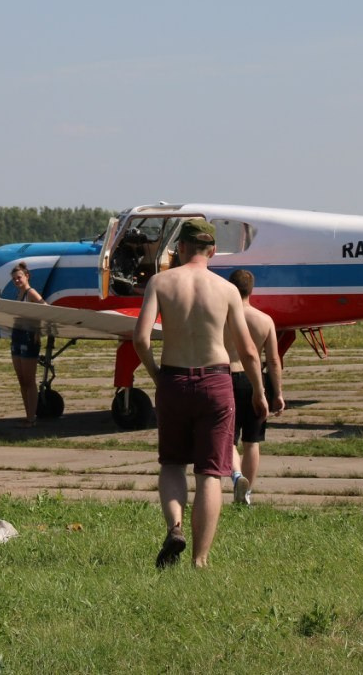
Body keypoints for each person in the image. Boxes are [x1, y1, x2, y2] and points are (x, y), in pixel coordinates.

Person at [133, 218, 268, 569]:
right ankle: (200, 559)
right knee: (210, 473)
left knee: (172, 463)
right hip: (216, 383)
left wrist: (157, 374)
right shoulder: (227, 290)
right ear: (212, 251)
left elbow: (141, 339)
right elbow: (249, 351)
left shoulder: (160, 282)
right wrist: (259, 391)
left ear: (180, 248)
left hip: (174, 380)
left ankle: (175, 527)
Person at [226, 269, 285, 506]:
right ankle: (247, 493)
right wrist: (277, 393)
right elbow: (273, 360)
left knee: (227, 439)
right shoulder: (264, 320)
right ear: (251, 290)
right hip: (255, 381)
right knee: (252, 441)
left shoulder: (222, 317)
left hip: (225, 377)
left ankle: (236, 476)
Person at [8, 262, 46, 426]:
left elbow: (45, 309)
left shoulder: (31, 293)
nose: (17, 281)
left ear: (27, 276)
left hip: (28, 337)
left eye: (19, 277)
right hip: (17, 336)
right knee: (22, 381)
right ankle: (28, 415)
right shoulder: (19, 294)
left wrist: (38, 329)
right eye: (14, 279)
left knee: (29, 381)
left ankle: (32, 418)